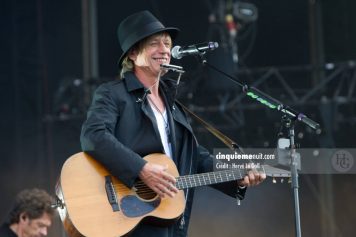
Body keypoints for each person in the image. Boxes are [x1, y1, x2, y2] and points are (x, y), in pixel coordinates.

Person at [80, 10, 266, 237]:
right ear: (133, 53)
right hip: (129, 220)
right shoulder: (113, 94)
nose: (165, 50)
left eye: (167, 44)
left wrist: (237, 177)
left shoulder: (174, 106)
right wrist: (141, 169)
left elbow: (195, 158)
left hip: (169, 222)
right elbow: (94, 135)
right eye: (154, 44)